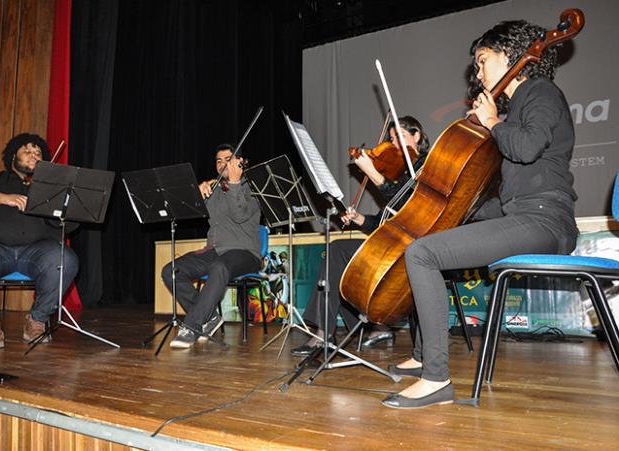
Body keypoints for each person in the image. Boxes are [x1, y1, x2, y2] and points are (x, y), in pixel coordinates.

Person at [382, 20, 579, 409]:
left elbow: (526, 148)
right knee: (429, 247)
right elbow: (508, 197)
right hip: (526, 214)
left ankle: (436, 379)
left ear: (510, 56)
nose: (479, 72)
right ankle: (424, 355)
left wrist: (492, 122)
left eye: (483, 60)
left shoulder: (541, 92)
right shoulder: (520, 106)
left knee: (422, 254)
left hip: (545, 222)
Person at [291, 116, 430, 356]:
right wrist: (358, 219)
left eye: (400, 136)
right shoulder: (400, 174)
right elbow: (381, 223)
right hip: (389, 241)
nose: (394, 142)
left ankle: (365, 326)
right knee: (337, 250)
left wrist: (375, 175)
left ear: (416, 135)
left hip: (409, 247)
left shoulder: (424, 168)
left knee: (339, 254)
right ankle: (338, 330)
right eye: (391, 138)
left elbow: (408, 201)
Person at [0, 133, 79, 350]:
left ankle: (37, 321)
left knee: (64, 257)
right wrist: (3, 197)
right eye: (27, 151)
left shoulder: (49, 189)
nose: (33, 155)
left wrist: (61, 205)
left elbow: (72, 225)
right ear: (13, 157)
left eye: (38, 153)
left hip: (37, 253)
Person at [163, 144, 261, 349]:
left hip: (244, 253)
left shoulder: (253, 189)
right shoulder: (214, 189)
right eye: (218, 160)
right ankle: (209, 318)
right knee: (171, 271)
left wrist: (234, 182)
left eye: (228, 159)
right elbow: (188, 212)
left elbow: (240, 215)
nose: (222, 163)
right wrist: (196, 193)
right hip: (215, 250)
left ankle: (192, 325)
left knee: (220, 266)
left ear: (240, 163)